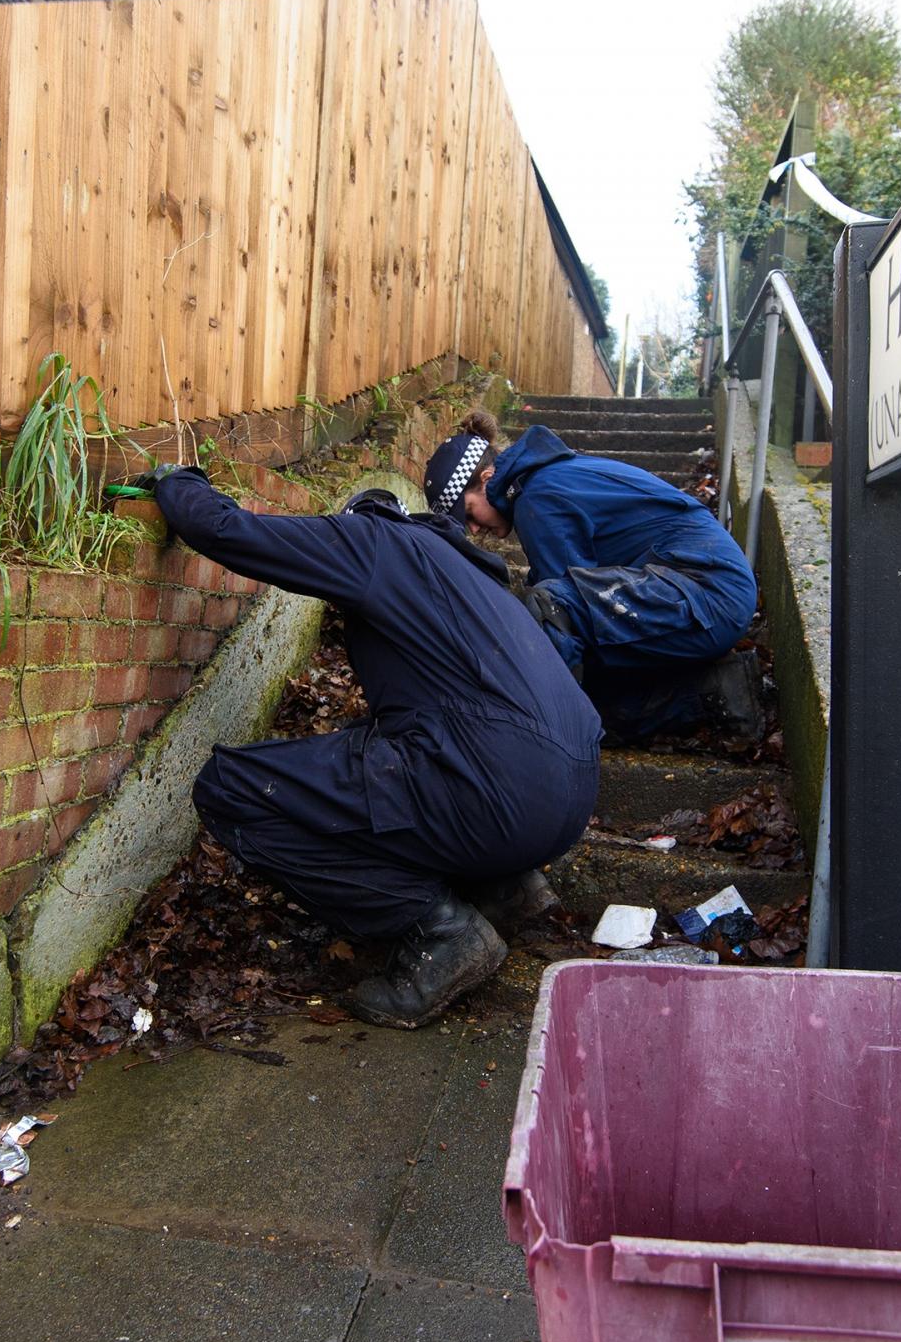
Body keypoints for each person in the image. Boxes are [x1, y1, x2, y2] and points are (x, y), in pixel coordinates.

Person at [141, 454, 602, 1028]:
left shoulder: (375, 542)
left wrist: (177, 483)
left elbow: (230, 531)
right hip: (570, 795)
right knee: (385, 752)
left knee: (231, 788)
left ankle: (440, 932)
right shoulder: (471, 578)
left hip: (499, 789)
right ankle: (506, 886)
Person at [435, 411, 762, 739]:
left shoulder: (538, 495)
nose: (474, 529)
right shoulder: (543, 481)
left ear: (489, 478)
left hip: (707, 588)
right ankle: (718, 692)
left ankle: (543, 735)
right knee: (593, 695)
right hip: (705, 600)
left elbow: (554, 613)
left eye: (468, 513)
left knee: (547, 615)